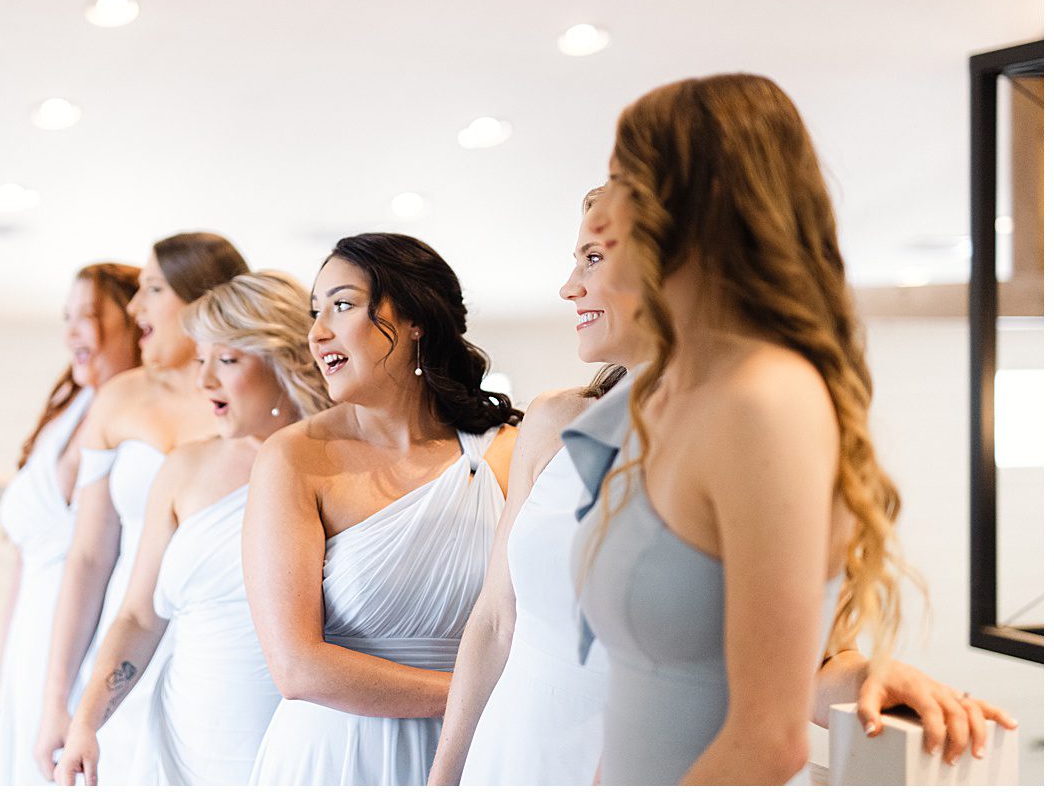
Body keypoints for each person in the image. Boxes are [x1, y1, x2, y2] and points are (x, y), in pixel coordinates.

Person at [430, 191, 1014, 784]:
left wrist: (866, 676)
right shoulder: (553, 421)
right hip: (512, 752)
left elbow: (791, 668)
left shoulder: (755, 444)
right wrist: (443, 779)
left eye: (593, 260)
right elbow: (495, 622)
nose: (569, 287)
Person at [568, 74, 927, 785]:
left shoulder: (767, 401)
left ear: (698, 203)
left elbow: (767, 741)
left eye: (625, 179)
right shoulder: (661, 395)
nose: (601, 210)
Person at [245, 235, 520, 785]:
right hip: (339, 757)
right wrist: (470, 700)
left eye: (342, 305)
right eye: (314, 312)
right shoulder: (294, 457)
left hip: (482, 755)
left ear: (416, 318)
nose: (318, 331)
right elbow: (297, 667)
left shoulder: (511, 450)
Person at [58, 271, 327, 787]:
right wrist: (86, 722)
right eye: (200, 360)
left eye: (226, 361)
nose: (204, 383)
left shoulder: (339, 465)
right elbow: (138, 615)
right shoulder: (184, 469)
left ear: (283, 360)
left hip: (296, 741)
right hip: (185, 739)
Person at [34, 233, 248, 783]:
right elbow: (88, 557)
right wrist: (59, 696)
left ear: (201, 298)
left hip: (224, 645)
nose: (135, 307)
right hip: (127, 637)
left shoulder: (252, 402)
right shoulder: (119, 398)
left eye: (152, 289)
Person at [0, 264, 142, 786]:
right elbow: (24, 552)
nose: (72, 331)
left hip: (85, 638)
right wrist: (5, 651)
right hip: (31, 643)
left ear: (134, 321)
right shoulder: (73, 404)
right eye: (67, 317)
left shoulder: (139, 422)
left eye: (90, 316)